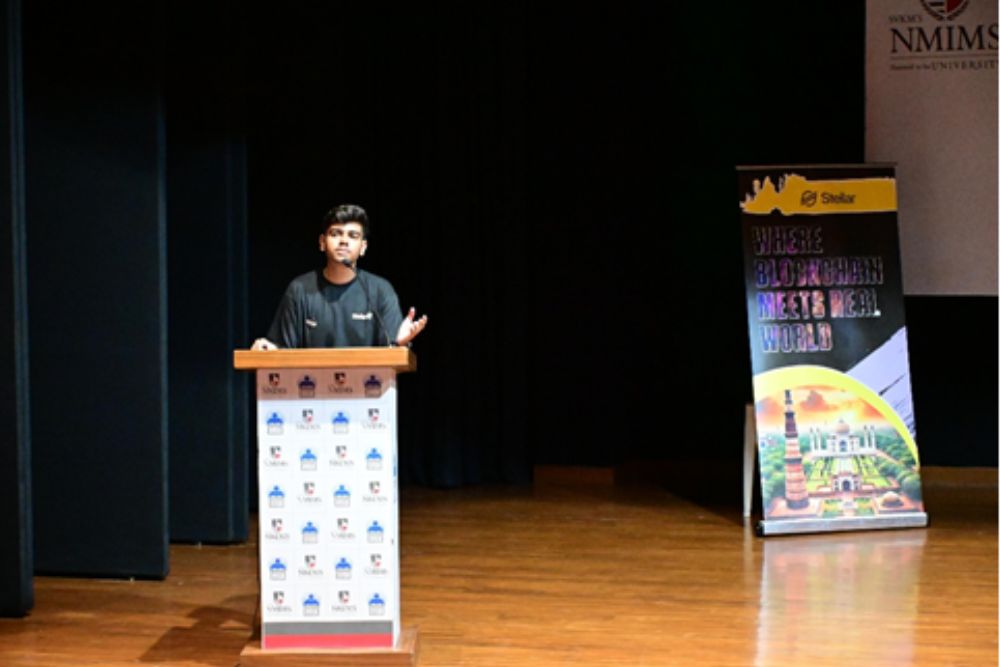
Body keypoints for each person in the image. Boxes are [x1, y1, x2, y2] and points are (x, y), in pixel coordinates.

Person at [251, 204, 427, 350]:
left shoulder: (380, 290)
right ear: (322, 242)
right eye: (335, 234)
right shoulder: (300, 289)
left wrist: (399, 343)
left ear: (363, 247)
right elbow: (281, 350)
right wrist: (267, 349)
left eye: (353, 236)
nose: (343, 241)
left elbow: (391, 351)